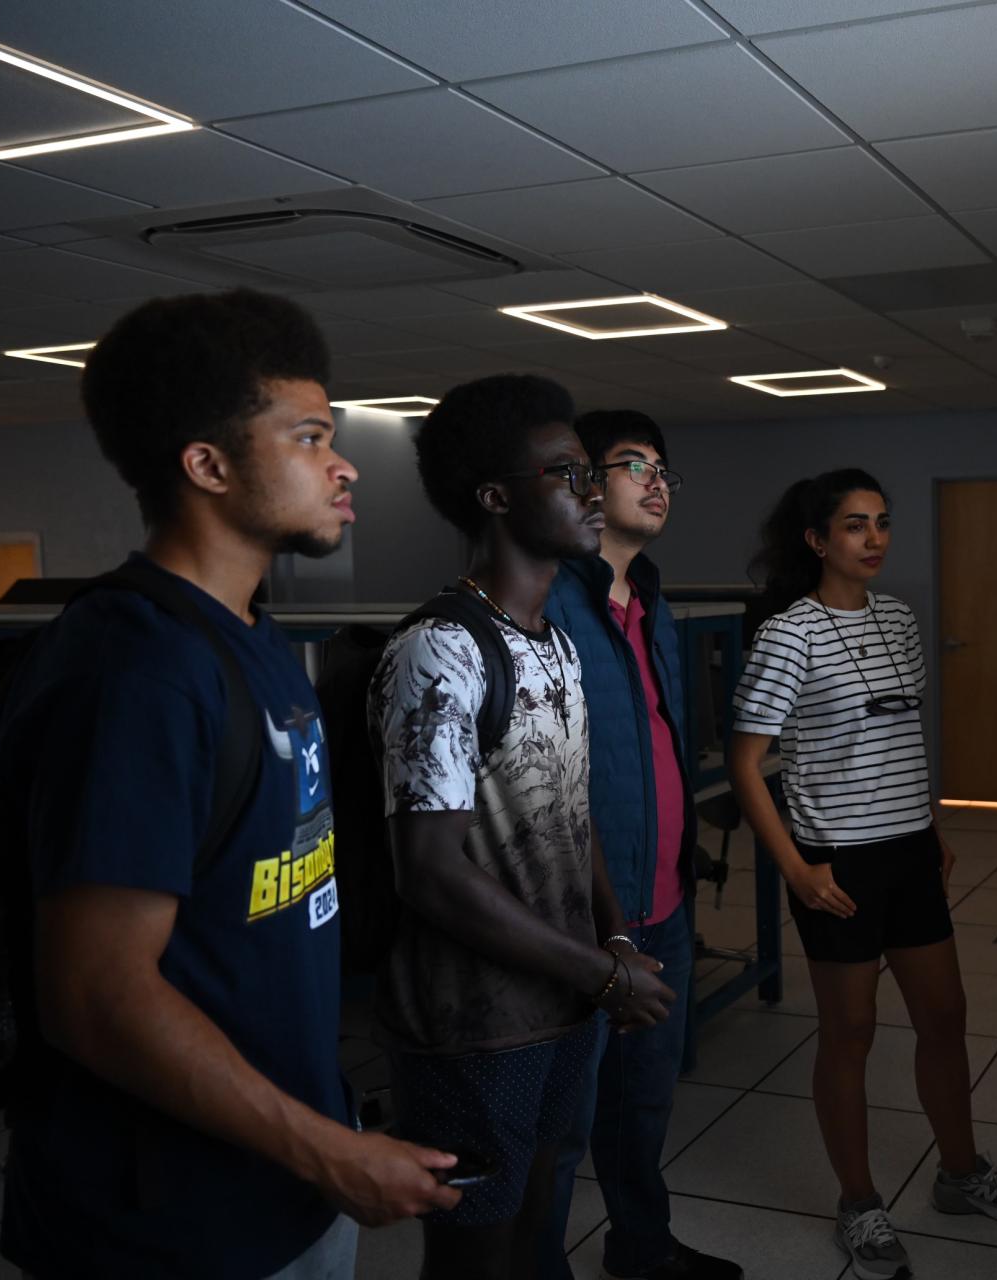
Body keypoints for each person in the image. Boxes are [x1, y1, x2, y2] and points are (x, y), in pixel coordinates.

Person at [0, 289, 460, 1279]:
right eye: (308, 437)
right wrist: (331, 1150)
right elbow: (96, 994)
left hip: (282, 1180)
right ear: (206, 464)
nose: (341, 464)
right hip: (173, 1228)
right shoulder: (135, 671)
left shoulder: (249, 634)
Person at [371, 375, 675, 1280]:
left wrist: (613, 939)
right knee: (475, 1256)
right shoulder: (441, 647)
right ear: (497, 497)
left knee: (536, 1231)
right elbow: (428, 870)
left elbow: (569, 812)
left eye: (590, 471)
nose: (590, 491)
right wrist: (601, 973)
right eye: (564, 472)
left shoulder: (554, 640)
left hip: (560, 1007)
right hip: (474, 1030)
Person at [726, 469, 997, 1280]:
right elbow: (746, 763)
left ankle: (960, 1173)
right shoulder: (788, 634)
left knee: (945, 1016)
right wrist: (796, 870)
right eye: (854, 526)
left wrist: (929, 823)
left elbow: (897, 736)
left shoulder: (900, 621)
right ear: (816, 540)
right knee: (852, 1033)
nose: (874, 540)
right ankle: (860, 1202)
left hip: (907, 850)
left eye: (881, 523)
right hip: (836, 861)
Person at [537, 411, 741, 1280]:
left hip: (663, 900)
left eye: (664, 467)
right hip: (583, 914)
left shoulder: (652, 602)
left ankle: (641, 1246)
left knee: (643, 1102)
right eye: (632, 465)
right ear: (586, 482)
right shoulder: (548, 599)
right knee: (560, 1123)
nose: (656, 480)